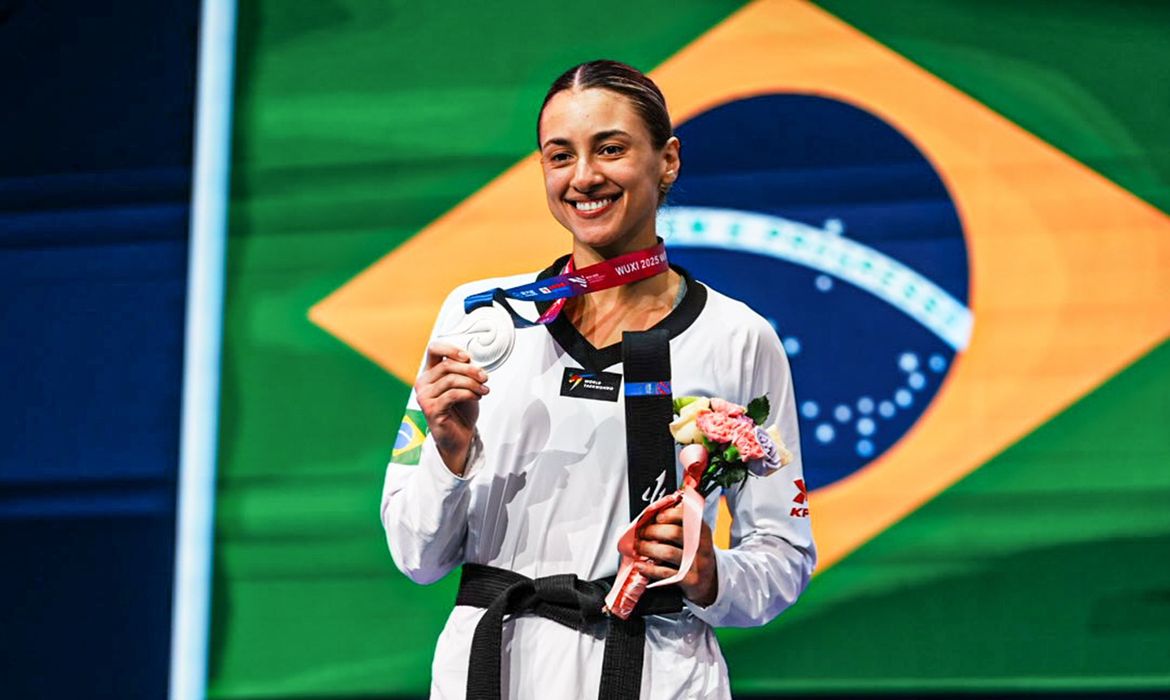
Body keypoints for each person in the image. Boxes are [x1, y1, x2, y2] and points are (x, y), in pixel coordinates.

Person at [381, 59, 815, 700]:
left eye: (610, 148)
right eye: (561, 156)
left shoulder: (737, 336)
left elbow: (785, 552)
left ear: (666, 160)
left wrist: (707, 573)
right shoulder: (479, 320)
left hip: (658, 674)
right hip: (493, 671)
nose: (584, 177)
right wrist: (448, 453)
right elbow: (417, 556)